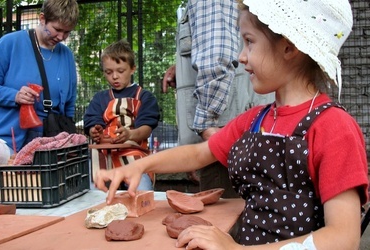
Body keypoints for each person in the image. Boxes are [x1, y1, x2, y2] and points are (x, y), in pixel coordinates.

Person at [94, 0, 369, 249]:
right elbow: (199, 154)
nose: (241, 56)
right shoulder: (256, 119)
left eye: (249, 42)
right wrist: (140, 166)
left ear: (289, 46)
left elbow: (342, 238)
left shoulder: (333, 127)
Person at [162, 0, 274, 198]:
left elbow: (216, 59)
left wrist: (206, 129)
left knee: (223, 220)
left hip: (219, 127)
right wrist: (182, 68)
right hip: (229, 125)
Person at [0, 0, 79, 154]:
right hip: (8, 141)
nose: (61, 37)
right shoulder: (10, 43)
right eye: (57, 29)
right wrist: (14, 96)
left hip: (49, 144)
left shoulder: (66, 55)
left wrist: (70, 136)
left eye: (67, 32)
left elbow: (69, 104)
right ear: (42, 19)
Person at [84, 39, 160, 191]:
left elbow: (146, 128)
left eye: (120, 71)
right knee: (93, 190)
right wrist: (95, 130)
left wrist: (130, 134)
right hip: (103, 156)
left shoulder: (144, 97)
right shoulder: (100, 98)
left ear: (132, 69)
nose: (115, 77)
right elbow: (92, 121)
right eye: (109, 72)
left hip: (133, 154)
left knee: (141, 190)